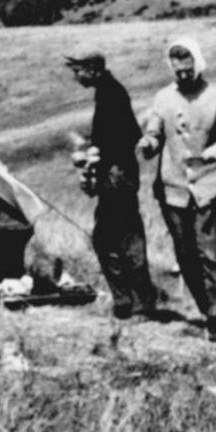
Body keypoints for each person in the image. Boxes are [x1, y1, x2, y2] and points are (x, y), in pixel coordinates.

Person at [137, 35, 216, 341]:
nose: (183, 75)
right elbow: (154, 132)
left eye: (188, 69)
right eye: (178, 71)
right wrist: (149, 143)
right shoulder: (162, 99)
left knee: (210, 255)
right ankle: (204, 307)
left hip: (208, 187)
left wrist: (214, 152)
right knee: (185, 256)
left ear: (198, 64)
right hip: (173, 190)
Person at [65, 51, 160, 321]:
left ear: (93, 69)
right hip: (117, 176)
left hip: (117, 177)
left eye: (78, 70)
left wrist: (93, 155)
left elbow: (126, 137)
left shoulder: (111, 94)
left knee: (122, 239)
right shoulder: (109, 91)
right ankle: (128, 302)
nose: (76, 77)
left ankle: (137, 303)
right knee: (112, 238)